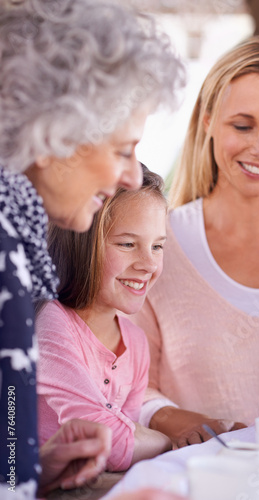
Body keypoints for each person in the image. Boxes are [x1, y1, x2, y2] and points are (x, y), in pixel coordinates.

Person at [0, 0, 185, 498]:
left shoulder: (18, 249)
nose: (130, 175)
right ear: (53, 135)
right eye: (122, 149)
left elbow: (8, 441)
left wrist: (30, 469)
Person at [131, 35, 259, 446]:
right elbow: (127, 384)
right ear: (207, 119)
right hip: (201, 481)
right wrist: (175, 418)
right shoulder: (158, 244)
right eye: (242, 125)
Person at [36, 165, 172, 472]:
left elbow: (125, 454)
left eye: (158, 246)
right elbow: (114, 446)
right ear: (80, 244)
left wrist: (137, 438)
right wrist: (165, 441)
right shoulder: (50, 323)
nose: (149, 264)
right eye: (127, 244)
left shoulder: (135, 344)